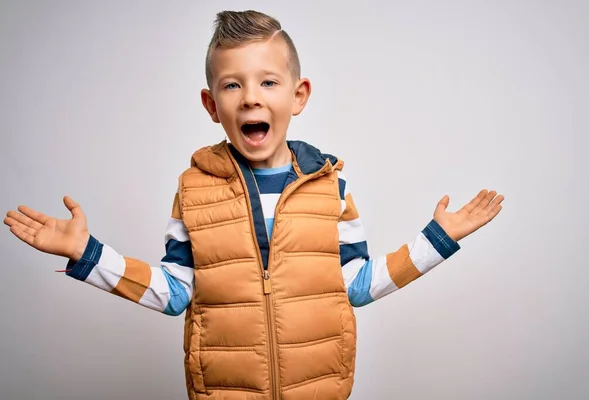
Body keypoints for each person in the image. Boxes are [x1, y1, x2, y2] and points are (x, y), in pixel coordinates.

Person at [3, 9, 504, 400]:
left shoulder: (332, 189)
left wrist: (438, 240)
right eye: (232, 84)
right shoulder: (194, 191)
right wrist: (87, 253)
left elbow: (356, 284)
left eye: (268, 82)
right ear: (211, 104)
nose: (250, 98)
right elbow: (175, 292)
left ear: (298, 95)